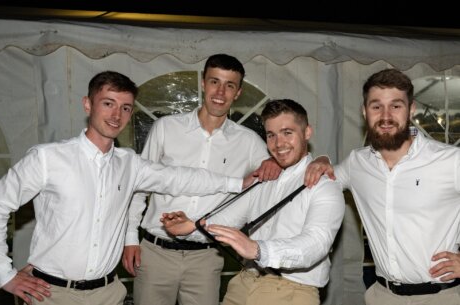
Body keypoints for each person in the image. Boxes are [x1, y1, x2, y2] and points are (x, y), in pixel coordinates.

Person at [0, 71, 252, 305]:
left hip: (108, 293)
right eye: (108, 104)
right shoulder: (47, 158)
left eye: (125, 108)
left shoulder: (130, 164)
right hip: (52, 294)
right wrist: (4, 274)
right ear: (87, 104)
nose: (116, 115)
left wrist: (239, 183)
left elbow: (183, 177)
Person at [122, 53, 281, 305]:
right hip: (155, 252)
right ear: (203, 84)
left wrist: (277, 162)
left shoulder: (249, 141)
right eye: (214, 81)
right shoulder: (166, 127)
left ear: (238, 92)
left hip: (206, 258)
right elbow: (139, 187)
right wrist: (130, 238)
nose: (220, 91)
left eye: (229, 85)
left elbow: (281, 173)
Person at [161, 99, 345, 305]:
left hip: (292, 290)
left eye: (287, 133)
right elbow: (226, 220)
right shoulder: (264, 179)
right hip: (245, 281)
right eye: (271, 135)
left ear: (307, 132)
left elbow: (316, 244)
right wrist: (191, 227)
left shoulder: (325, 185)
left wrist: (259, 250)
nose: (278, 143)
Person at [304, 68, 460, 305]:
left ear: (411, 109)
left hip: (441, 298)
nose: (385, 116)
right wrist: (321, 158)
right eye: (376, 106)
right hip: (382, 296)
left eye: (396, 106)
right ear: (364, 111)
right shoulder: (358, 162)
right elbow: (325, 177)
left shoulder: (450, 160)